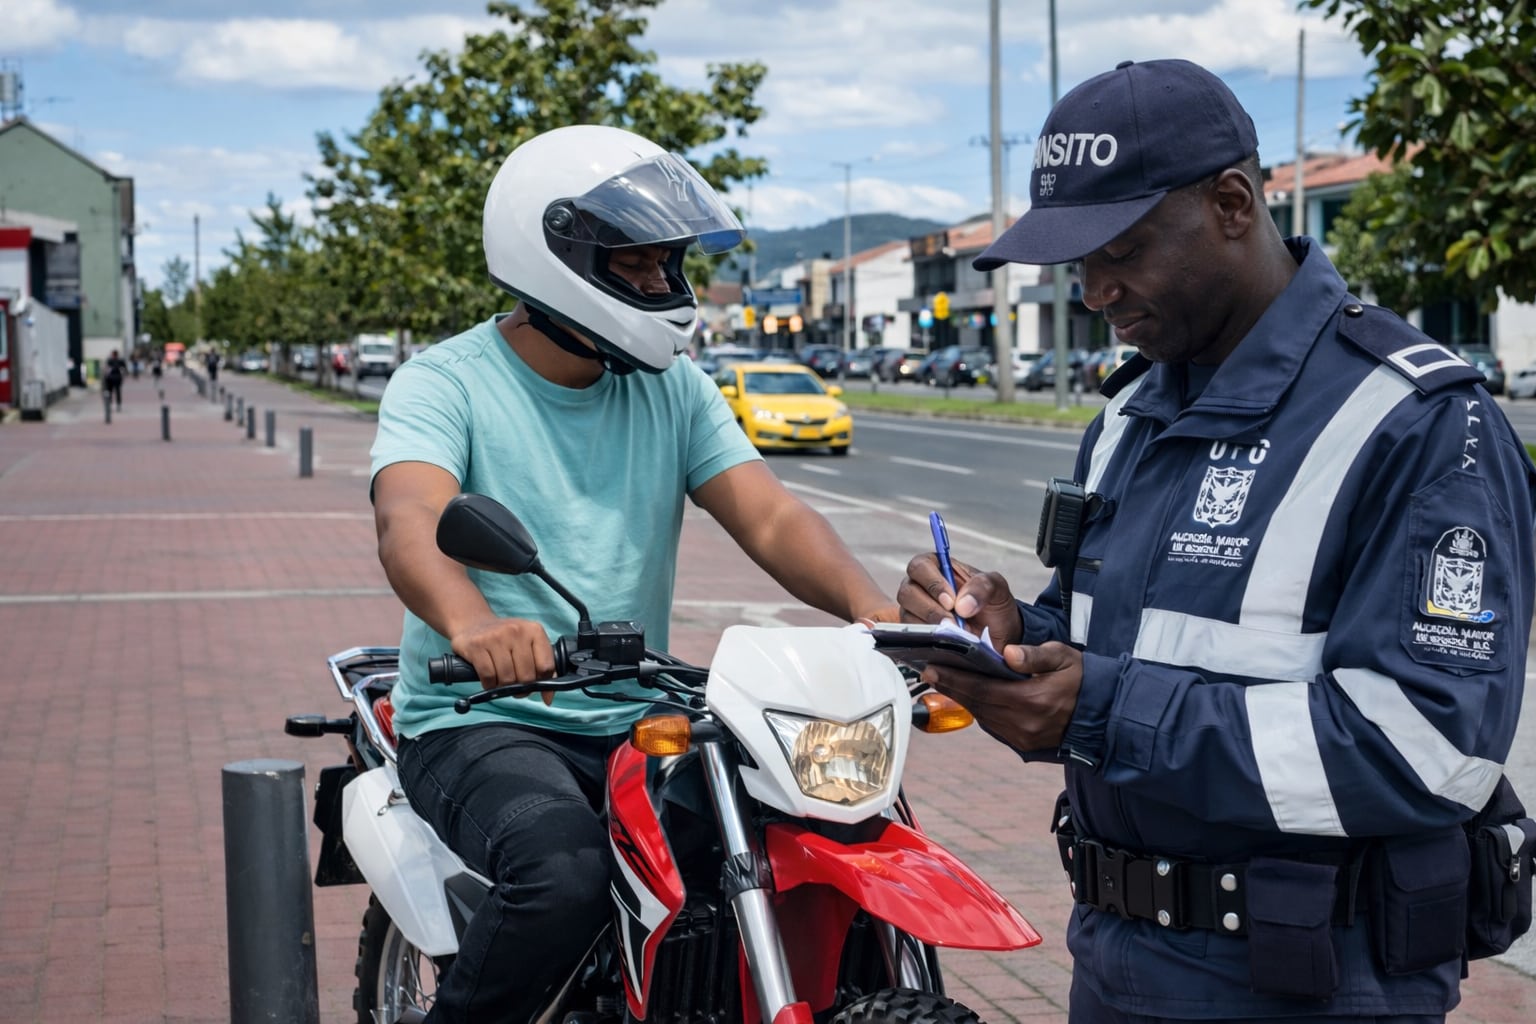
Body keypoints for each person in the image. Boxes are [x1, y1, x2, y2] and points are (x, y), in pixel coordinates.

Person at [896, 59, 1535, 1022]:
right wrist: (1006, 631)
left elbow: (1429, 750)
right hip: (1115, 958)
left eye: (1121, 249)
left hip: (1309, 984)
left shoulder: (1417, 421)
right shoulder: (1131, 416)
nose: (1095, 291)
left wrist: (1098, 713)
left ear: (1233, 203)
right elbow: (1113, 640)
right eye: (1077, 264)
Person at [369, 124, 898, 1024]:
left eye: (668, 265)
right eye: (638, 266)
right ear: (555, 256)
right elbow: (410, 518)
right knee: (560, 876)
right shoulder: (445, 383)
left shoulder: (674, 386)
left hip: (639, 712)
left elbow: (767, 514)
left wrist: (880, 614)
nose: (663, 286)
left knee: (794, 838)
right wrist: (473, 625)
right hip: (479, 716)